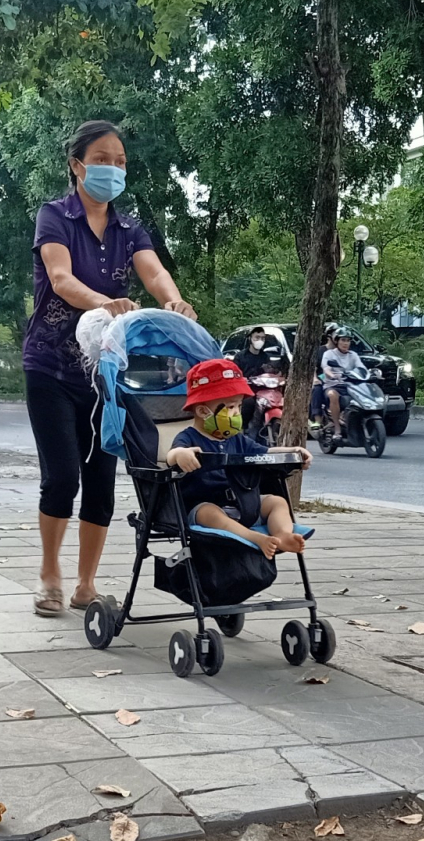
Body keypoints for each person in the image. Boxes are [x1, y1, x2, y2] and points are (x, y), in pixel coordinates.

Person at [22, 119, 198, 617]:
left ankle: (85, 584)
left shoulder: (129, 229)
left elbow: (155, 271)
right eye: (102, 159)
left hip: (106, 376)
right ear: (77, 165)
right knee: (61, 478)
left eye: (120, 161)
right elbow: (59, 278)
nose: (112, 168)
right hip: (51, 367)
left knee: (100, 478)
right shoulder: (54, 216)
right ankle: (50, 575)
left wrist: (175, 301)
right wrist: (105, 302)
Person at [162, 358, 311, 557]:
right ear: (203, 411)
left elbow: (265, 453)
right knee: (208, 512)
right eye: (231, 407)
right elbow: (171, 455)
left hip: (243, 503)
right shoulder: (188, 437)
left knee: (277, 502)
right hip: (207, 506)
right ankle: (253, 538)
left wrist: (292, 451)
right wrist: (181, 454)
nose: (237, 413)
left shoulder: (238, 440)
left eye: (239, 407)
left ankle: (282, 535)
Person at [319, 329, 366, 434]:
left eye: (348, 341)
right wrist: (332, 375)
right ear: (336, 341)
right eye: (343, 340)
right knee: (333, 395)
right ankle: (337, 428)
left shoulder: (353, 355)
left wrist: (368, 374)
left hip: (350, 386)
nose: (345, 343)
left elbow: (361, 368)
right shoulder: (329, 354)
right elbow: (326, 369)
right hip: (333, 385)